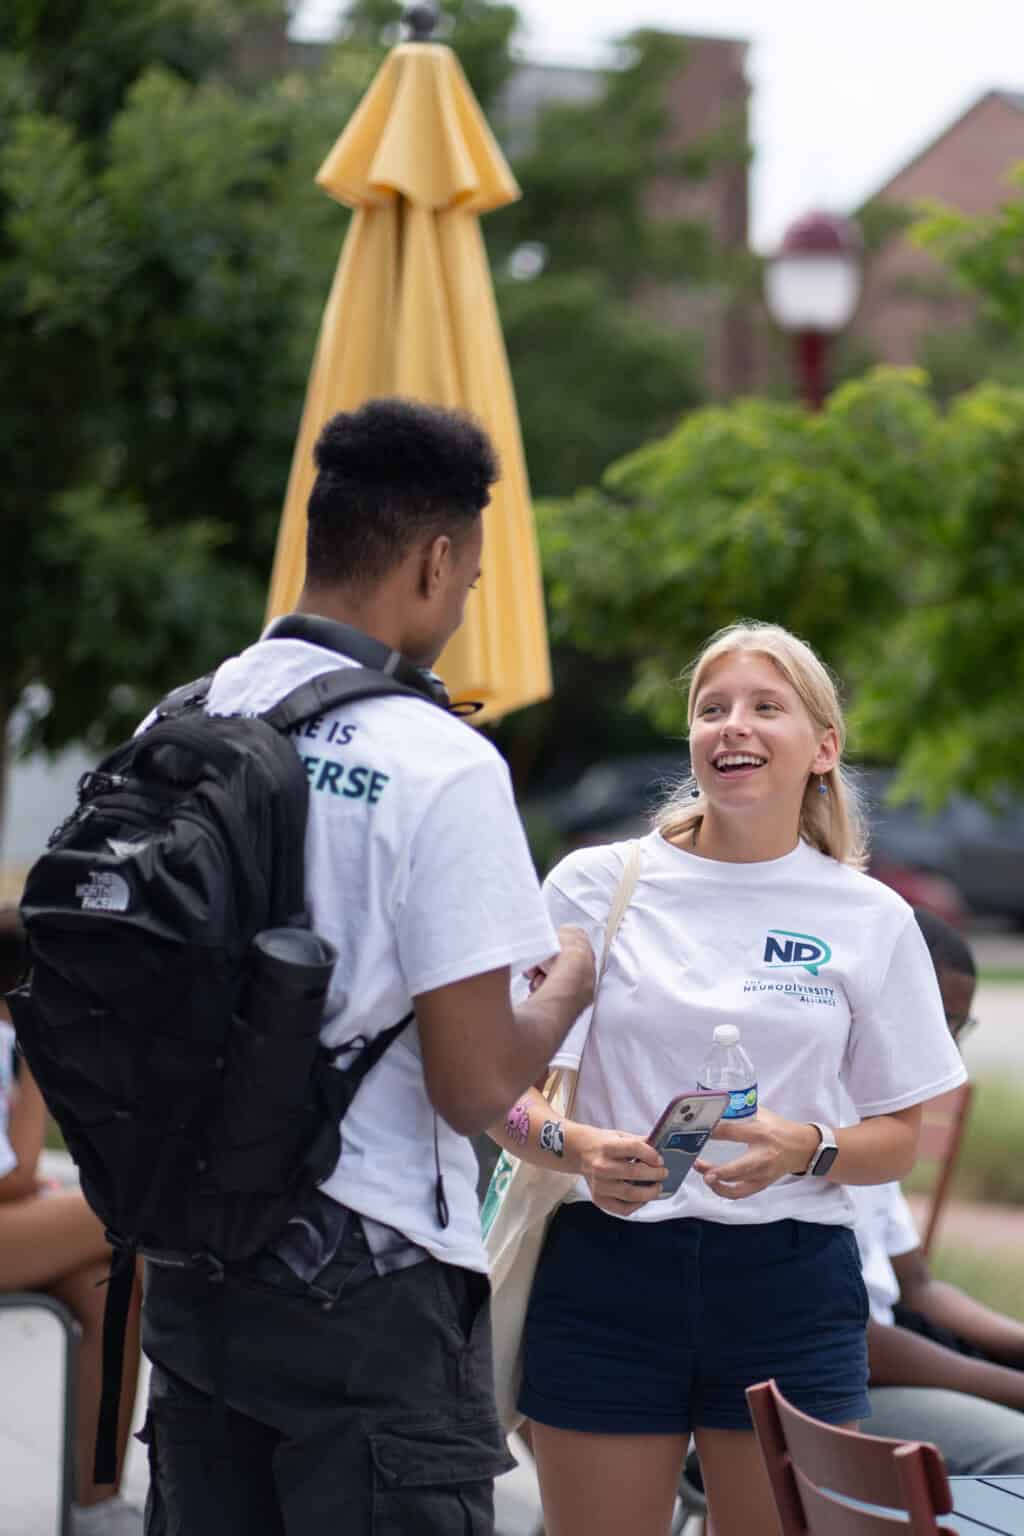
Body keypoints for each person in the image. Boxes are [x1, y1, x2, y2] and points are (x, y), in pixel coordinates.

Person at [138, 397, 594, 1536]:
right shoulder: (439, 762)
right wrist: (566, 993)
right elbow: (475, 1083)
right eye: (473, 580)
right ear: (437, 562)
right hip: (370, 1284)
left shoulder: (186, 718)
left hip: (194, 1264)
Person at [487, 621, 966, 1536]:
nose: (731, 725)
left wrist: (809, 1147)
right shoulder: (594, 885)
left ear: (822, 748)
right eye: (712, 709)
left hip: (789, 1285)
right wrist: (576, 1145)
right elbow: (496, 1093)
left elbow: (897, 1141)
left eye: (763, 706)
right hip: (606, 1275)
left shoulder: (871, 917)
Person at [852, 907, 1024, 1472]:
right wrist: (1007, 1386)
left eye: (960, 1031)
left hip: (883, 1361)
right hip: (814, 1395)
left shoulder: (874, 1116)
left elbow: (916, 1284)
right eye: (942, 1025)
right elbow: (846, 1339)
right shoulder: (804, 1134)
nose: (952, 1054)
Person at [0, 910, 144, 1535]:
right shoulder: (9, 1036)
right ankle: (98, 1503)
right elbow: (16, 1175)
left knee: (107, 1276)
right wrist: (39, 1057)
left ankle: (97, 1501)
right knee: (123, 1218)